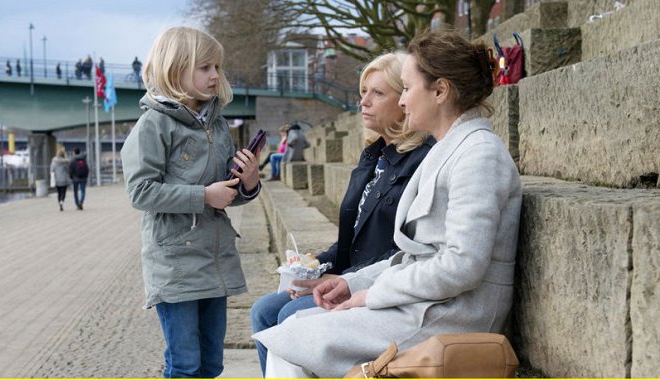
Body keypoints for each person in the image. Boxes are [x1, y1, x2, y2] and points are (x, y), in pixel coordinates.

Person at [253, 30, 522, 378]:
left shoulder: (480, 154)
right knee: (291, 333)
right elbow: (416, 256)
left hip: (451, 315)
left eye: (408, 88)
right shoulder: (451, 148)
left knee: (291, 340)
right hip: (427, 305)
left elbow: (461, 266)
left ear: (440, 91)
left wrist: (371, 293)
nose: (404, 101)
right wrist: (355, 283)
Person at [250, 51, 434, 375]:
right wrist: (311, 269)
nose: (363, 101)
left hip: (375, 286)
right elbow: (349, 240)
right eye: (363, 92)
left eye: (377, 93)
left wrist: (343, 281)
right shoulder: (373, 157)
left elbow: (409, 251)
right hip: (345, 277)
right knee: (263, 310)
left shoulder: (422, 161)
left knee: (287, 317)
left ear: (404, 99)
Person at [120, 26, 261, 378]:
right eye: (205, 67)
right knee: (185, 364)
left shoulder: (217, 123)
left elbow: (226, 194)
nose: (215, 75)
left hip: (215, 259)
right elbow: (140, 192)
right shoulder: (153, 124)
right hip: (175, 263)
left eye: (218, 67)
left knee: (211, 363)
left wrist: (248, 183)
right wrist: (203, 195)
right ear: (175, 68)